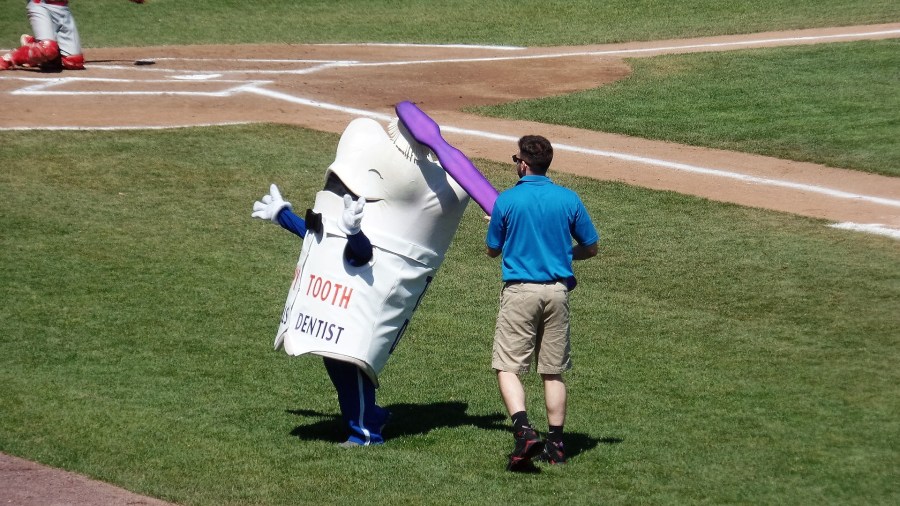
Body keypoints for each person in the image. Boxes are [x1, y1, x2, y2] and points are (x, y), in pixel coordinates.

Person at [485, 135, 599, 471]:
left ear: (523, 163)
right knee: (552, 371)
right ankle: (557, 445)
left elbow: (492, 250)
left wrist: (500, 228)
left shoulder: (507, 201)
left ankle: (523, 431)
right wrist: (564, 254)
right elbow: (590, 247)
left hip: (521, 293)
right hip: (557, 293)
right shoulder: (568, 198)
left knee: (507, 365)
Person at [1, 0, 143, 72]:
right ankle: (9, 59)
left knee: (74, 62)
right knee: (48, 49)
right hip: (40, 5)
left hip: (62, 9)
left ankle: (35, 44)